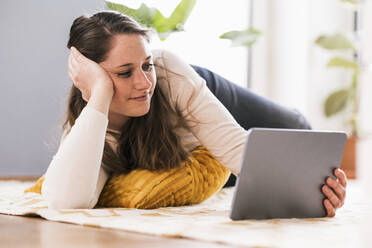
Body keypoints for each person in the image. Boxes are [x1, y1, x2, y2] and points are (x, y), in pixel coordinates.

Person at [41, 11, 347, 217]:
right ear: (91, 79)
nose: (143, 82)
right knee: (240, 186)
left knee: (294, 128)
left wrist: (313, 190)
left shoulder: (165, 75)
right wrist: (101, 95)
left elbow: (237, 150)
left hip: (201, 96)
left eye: (145, 64)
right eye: (124, 72)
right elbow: (66, 201)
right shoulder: (90, 119)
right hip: (185, 146)